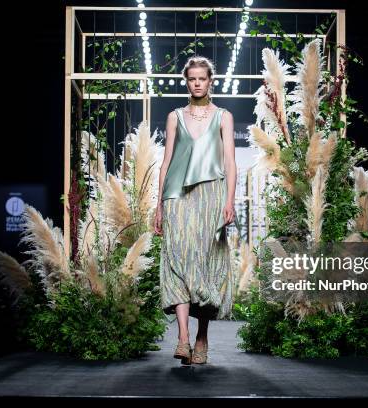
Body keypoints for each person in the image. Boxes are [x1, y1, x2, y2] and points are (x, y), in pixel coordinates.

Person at [154, 55, 237, 365]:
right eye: (192, 78)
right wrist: (158, 205)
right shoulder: (175, 116)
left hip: (212, 195)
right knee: (176, 258)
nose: (197, 83)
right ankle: (183, 339)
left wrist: (229, 201)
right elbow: (166, 163)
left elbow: (230, 162)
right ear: (187, 82)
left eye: (202, 78)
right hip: (177, 197)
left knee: (207, 263)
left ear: (210, 81)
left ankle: (202, 336)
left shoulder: (223, 117)